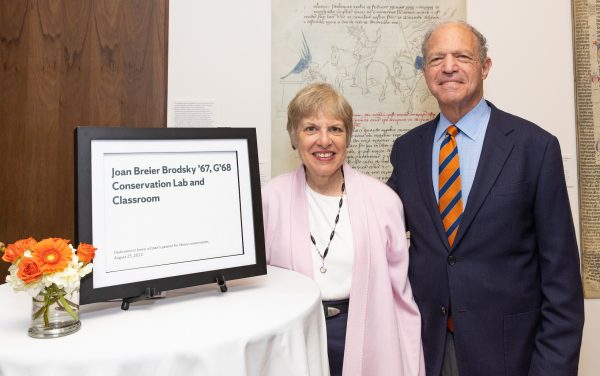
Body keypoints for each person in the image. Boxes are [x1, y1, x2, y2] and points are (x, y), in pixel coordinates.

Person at [387, 20, 585, 376]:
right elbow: (376, 222)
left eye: (462, 56)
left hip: (512, 357)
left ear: (485, 66)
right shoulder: (407, 151)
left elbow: (563, 283)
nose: (448, 67)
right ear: (425, 71)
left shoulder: (534, 148)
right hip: (428, 351)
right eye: (436, 59)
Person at [262, 83, 424, 376]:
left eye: (335, 129)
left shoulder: (384, 201)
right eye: (311, 128)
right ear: (294, 137)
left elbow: (401, 297)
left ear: (347, 136)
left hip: (365, 334)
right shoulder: (270, 199)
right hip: (293, 336)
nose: (324, 141)